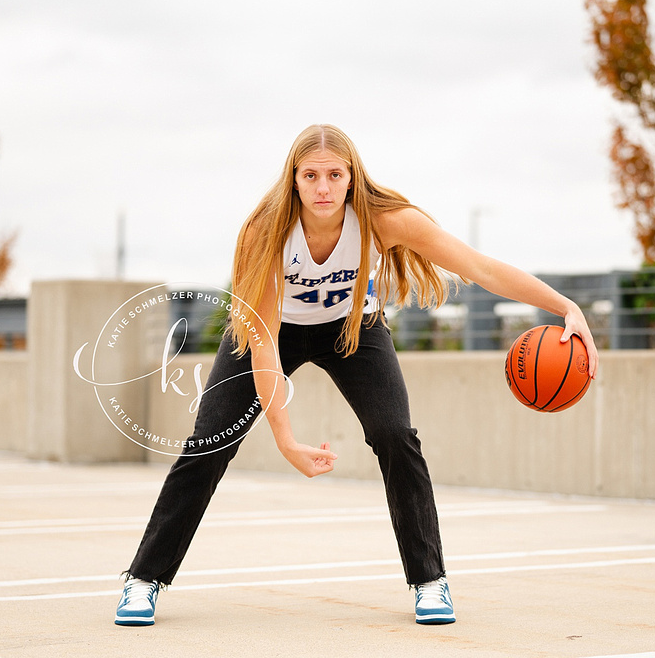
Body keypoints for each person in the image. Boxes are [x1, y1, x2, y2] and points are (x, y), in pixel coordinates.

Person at [115, 124, 600, 627]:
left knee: (395, 436)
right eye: (310, 176)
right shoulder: (264, 231)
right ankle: (143, 579)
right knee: (211, 441)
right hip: (271, 332)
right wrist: (284, 438)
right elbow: (261, 338)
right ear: (294, 180)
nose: (322, 187)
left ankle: (430, 581)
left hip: (352, 329)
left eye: (333, 175)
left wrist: (566, 307)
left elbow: (482, 269)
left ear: (351, 178)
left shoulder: (384, 220)